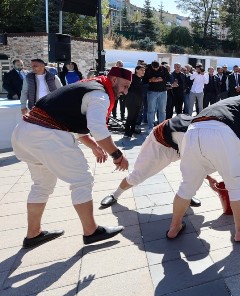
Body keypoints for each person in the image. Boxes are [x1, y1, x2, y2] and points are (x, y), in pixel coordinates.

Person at [11, 67, 131, 248]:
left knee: (42, 185)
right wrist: (117, 154)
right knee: (82, 179)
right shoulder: (100, 95)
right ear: (113, 80)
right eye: (124, 86)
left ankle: (33, 234)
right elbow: (98, 129)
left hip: (24, 133)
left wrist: (93, 146)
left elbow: (69, 121)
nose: (125, 91)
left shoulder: (87, 87)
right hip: (47, 136)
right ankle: (91, 231)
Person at [165, 84, 240, 242]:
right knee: (236, 185)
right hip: (222, 134)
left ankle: (174, 227)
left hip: (192, 131)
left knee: (187, 185)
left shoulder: (233, 100)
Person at [101, 114, 202, 207]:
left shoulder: (207, 132)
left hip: (178, 143)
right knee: (138, 175)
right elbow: (189, 163)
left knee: (193, 172)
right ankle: (115, 195)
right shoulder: (189, 135)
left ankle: (186, 195)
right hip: (159, 144)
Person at [144, 61, 169, 125]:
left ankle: (161, 127)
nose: (156, 69)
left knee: (162, 111)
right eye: (154, 68)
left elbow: (168, 78)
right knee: (151, 110)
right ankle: (150, 127)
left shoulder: (164, 69)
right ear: (152, 66)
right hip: (152, 92)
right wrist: (151, 80)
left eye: (157, 68)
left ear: (160, 65)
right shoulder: (148, 69)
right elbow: (144, 79)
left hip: (163, 91)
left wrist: (162, 79)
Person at [124, 66, 145, 138]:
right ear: (137, 70)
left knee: (135, 116)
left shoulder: (141, 79)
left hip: (138, 100)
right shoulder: (132, 77)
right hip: (131, 100)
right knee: (130, 116)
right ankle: (127, 131)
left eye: (144, 70)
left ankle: (132, 130)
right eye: (141, 70)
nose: (143, 71)